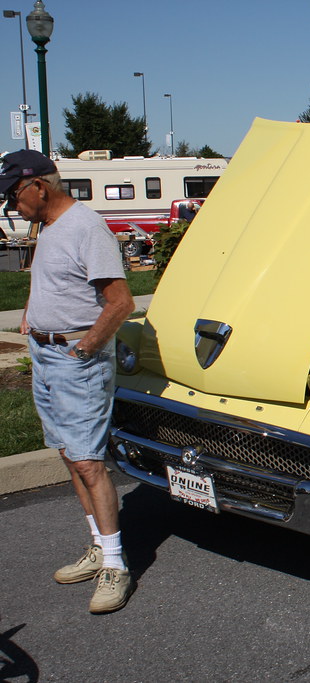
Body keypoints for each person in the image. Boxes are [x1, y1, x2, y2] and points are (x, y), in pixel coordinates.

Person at [0, 150, 136, 614]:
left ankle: (116, 565)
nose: (12, 207)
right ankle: (99, 545)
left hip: (75, 359)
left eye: (14, 196)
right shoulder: (52, 229)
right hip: (46, 355)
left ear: (39, 185)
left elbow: (121, 303)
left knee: (89, 462)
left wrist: (83, 349)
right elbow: (57, 285)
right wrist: (32, 319)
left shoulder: (86, 227)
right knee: (69, 456)